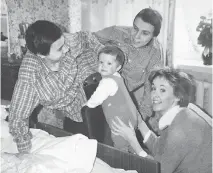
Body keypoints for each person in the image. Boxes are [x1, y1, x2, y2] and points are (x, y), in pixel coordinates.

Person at [8, 20, 103, 153]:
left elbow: (86, 37)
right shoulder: (30, 77)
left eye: (64, 43)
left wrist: (104, 54)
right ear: (41, 55)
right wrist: (25, 151)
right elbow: (17, 117)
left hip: (96, 82)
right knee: (81, 147)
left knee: (104, 143)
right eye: (59, 49)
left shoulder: (63, 40)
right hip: (73, 109)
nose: (66, 48)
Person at [112, 68, 212, 173]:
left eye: (162, 90)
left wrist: (133, 141)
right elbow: (161, 149)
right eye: (153, 88)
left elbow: (158, 170)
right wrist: (140, 122)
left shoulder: (179, 130)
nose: (154, 94)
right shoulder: (185, 111)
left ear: (178, 96)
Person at [93, 8, 164, 124]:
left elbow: (150, 88)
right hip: (92, 89)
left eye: (145, 33)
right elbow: (86, 39)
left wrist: (138, 120)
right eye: (135, 28)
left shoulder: (155, 53)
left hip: (118, 100)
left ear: (154, 36)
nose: (136, 36)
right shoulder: (116, 32)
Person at [86, 45, 140, 152]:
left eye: (109, 63)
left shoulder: (107, 82)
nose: (103, 66)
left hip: (119, 123)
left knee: (120, 148)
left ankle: (122, 165)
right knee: (131, 145)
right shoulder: (118, 77)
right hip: (131, 117)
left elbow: (95, 100)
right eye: (101, 62)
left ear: (118, 68)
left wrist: (87, 105)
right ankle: (135, 158)